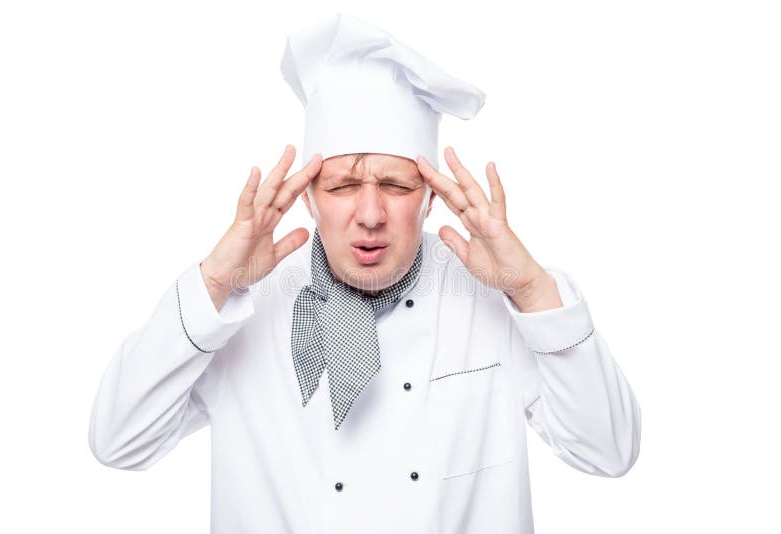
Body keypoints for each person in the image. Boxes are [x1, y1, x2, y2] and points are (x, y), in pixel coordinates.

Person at [88, 13, 641, 534]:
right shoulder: (241, 305)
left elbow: (610, 451)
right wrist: (212, 286)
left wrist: (532, 290)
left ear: (430, 199)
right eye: (343, 186)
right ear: (308, 197)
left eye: (397, 186)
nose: (371, 214)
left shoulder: (494, 299)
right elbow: (119, 442)